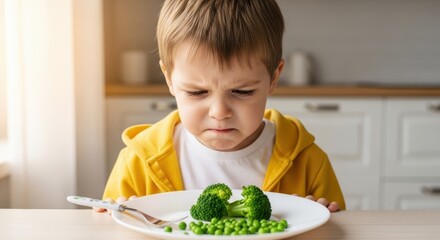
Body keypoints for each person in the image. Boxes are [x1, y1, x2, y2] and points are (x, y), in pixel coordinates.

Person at [100, 0, 345, 212]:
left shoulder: (307, 161)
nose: (219, 112)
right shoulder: (138, 162)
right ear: (169, 79)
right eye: (197, 92)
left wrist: (321, 222)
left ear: (273, 78)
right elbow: (104, 228)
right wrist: (113, 220)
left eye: (242, 91)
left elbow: (340, 230)